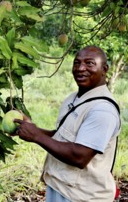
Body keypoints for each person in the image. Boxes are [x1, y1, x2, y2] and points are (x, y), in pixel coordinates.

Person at [14, 46, 121, 202]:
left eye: (89, 63)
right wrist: (32, 128)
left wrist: (36, 136)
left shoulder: (103, 111)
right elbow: (61, 137)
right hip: (60, 187)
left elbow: (79, 157)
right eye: (76, 63)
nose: (80, 68)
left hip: (82, 197)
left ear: (105, 69)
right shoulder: (73, 98)